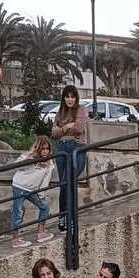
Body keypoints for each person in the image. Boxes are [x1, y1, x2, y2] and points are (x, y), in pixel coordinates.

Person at [51, 85, 89, 232]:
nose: (70, 99)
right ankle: (63, 216)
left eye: (72, 96)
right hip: (61, 149)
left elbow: (79, 128)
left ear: (76, 97)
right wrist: (68, 127)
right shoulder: (60, 112)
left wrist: (62, 129)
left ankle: (71, 218)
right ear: (63, 98)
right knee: (63, 184)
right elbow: (53, 133)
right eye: (67, 96)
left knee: (70, 182)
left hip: (76, 148)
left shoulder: (81, 110)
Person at [10, 135, 55, 248]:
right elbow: (17, 166)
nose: (45, 151)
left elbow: (46, 180)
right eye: (42, 149)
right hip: (19, 186)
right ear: (38, 148)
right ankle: (16, 239)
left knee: (45, 206)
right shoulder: (28, 156)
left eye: (47, 149)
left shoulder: (49, 163)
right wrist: (29, 159)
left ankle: (41, 232)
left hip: (32, 190)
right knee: (18, 212)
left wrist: (41, 194)